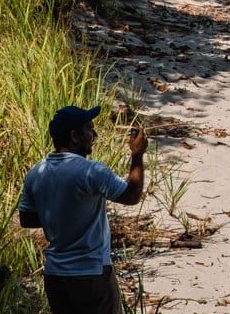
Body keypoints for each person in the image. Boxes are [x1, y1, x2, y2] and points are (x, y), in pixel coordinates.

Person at [19, 106, 146, 314]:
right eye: (89, 129)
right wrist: (137, 155)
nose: (93, 135)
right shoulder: (91, 171)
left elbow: (26, 219)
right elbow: (132, 196)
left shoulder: (36, 172)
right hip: (91, 273)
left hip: (55, 276)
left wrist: (62, 213)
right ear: (75, 136)